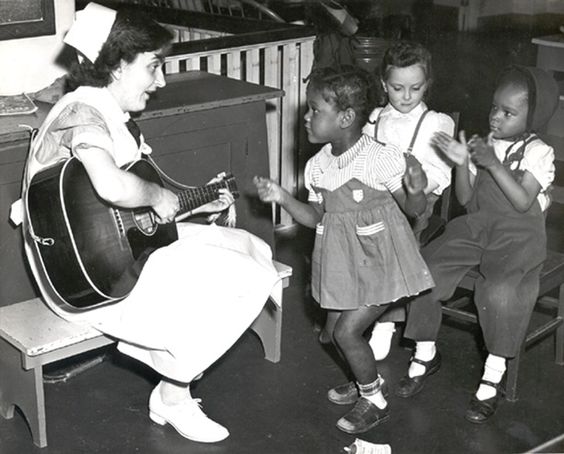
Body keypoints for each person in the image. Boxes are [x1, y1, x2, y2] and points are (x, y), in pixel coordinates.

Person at [19, 3, 283, 443]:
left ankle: (175, 380)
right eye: (153, 67)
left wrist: (190, 206)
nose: (160, 82)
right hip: (86, 278)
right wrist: (158, 196)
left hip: (109, 256)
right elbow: (110, 186)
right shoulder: (81, 112)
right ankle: (173, 395)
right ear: (118, 66)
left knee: (252, 249)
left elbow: (125, 214)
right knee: (243, 274)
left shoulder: (103, 112)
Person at [254, 66, 434, 434]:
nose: (305, 117)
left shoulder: (377, 158)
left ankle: (375, 399)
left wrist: (415, 190)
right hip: (342, 263)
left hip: (382, 261)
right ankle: (363, 377)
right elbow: (316, 216)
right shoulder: (318, 166)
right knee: (328, 335)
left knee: (347, 334)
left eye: (315, 110)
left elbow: (414, 210)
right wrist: (283, 198)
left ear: (347, 117)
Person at [395, 65, 559, 423]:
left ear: (534, 117)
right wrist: (462, 163)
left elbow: (522, 202)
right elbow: (468, 200)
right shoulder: (485, 144)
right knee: (426, 268)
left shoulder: (539, 152)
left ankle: (493, 375)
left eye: (508, 112)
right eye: (494, 108)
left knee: (500, 291)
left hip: (519, 235)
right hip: (478, 225)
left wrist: (492, 163)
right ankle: (425, 352)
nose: (496, 117)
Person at [361, 41, 455, 360]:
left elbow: (443, 174)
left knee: (392, 245)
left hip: (417, 201)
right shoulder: (374, 120)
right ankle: (351, 311)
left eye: (415, 88)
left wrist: (415, 185)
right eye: (397, 88)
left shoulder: (436, 123)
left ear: (426, 85)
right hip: (377, 198)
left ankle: (385, 322)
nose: (406, 96)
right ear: (384, 84)